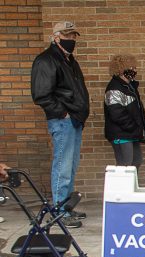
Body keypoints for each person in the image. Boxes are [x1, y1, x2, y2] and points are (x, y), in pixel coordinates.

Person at [31, 21, 90, 228]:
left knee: (70, 167)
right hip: (63, 120)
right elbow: (41, 95)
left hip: (73, 120)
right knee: (62, 167)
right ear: (55, 37)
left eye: (74, 36)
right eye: (67, 35)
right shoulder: (46, 60)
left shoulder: (68, 60)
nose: (71, 39)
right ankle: (58, 212)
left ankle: (65, 206)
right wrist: (63, 113)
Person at [104, 54, 145, 168]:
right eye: (131, 68)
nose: (134, 70)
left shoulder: (130, 87)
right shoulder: (114, 87)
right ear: (121, 69)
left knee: (136, 162)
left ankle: (132, 186)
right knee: (125, 166)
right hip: (122, 134)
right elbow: (116, 113)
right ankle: (121, 186)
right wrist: (134, 127)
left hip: (131, 134)